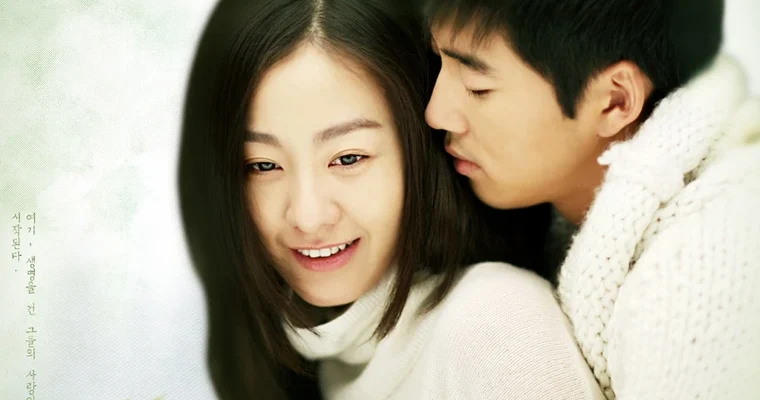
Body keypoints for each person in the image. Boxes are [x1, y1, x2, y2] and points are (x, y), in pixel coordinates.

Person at [177, 0, 605, 399]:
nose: (308, 216)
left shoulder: (495, 326)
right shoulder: (320, 357)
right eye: (263, 165)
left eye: (348, 158)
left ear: (419, 152)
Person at [422, 0, 760, 398]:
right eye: (439, 63)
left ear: (616, 101)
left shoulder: (703, 274)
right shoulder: (560, 212)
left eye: (477, 87)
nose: (436, 113)